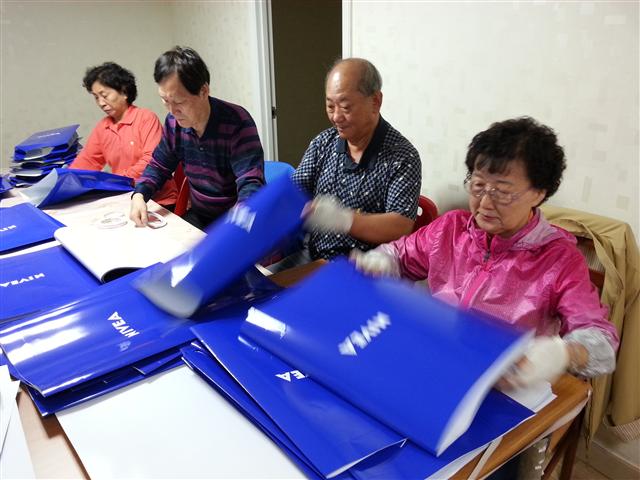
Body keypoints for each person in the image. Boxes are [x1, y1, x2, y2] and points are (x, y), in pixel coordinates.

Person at [354, 117, 619, 478]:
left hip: (504, 392)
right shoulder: (451, 228)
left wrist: (562, 352)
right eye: (478, 185)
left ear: (539, 192)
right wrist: (381, 260)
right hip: (437, 366)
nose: (485, 203)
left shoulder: (559, 259)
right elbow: (400, 253)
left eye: (503, 191)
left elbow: (601, 343)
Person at [293, 58, 422, 261]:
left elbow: (401, 225)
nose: (336, 117)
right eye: (330, 106)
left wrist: (343, 219)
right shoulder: (323, 143)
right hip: (313, 256)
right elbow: (294, 192)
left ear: (375, 102)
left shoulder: (402, 156)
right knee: (259, 280)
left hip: (364, 266)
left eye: (345, 107)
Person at [130, 46, 265, 229]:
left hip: (235, 218)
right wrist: (139, 195)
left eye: (179, 102)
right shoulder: (174, 123)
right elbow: (159, 166)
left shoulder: (237, 122)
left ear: (203, 91)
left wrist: (242, 213)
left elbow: (250, 180)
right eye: (165, 100)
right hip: (201, 215)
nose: (172, 111)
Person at [70, 62, 177, 207]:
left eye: (104, 95)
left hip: (158, 200)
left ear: (124, 91)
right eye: (96, 97)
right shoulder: (103, 127)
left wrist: (115, 181)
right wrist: (66, 180)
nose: (101, 103)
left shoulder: (145, 118)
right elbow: (88, 161)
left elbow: (151, 161)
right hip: (125, 198)